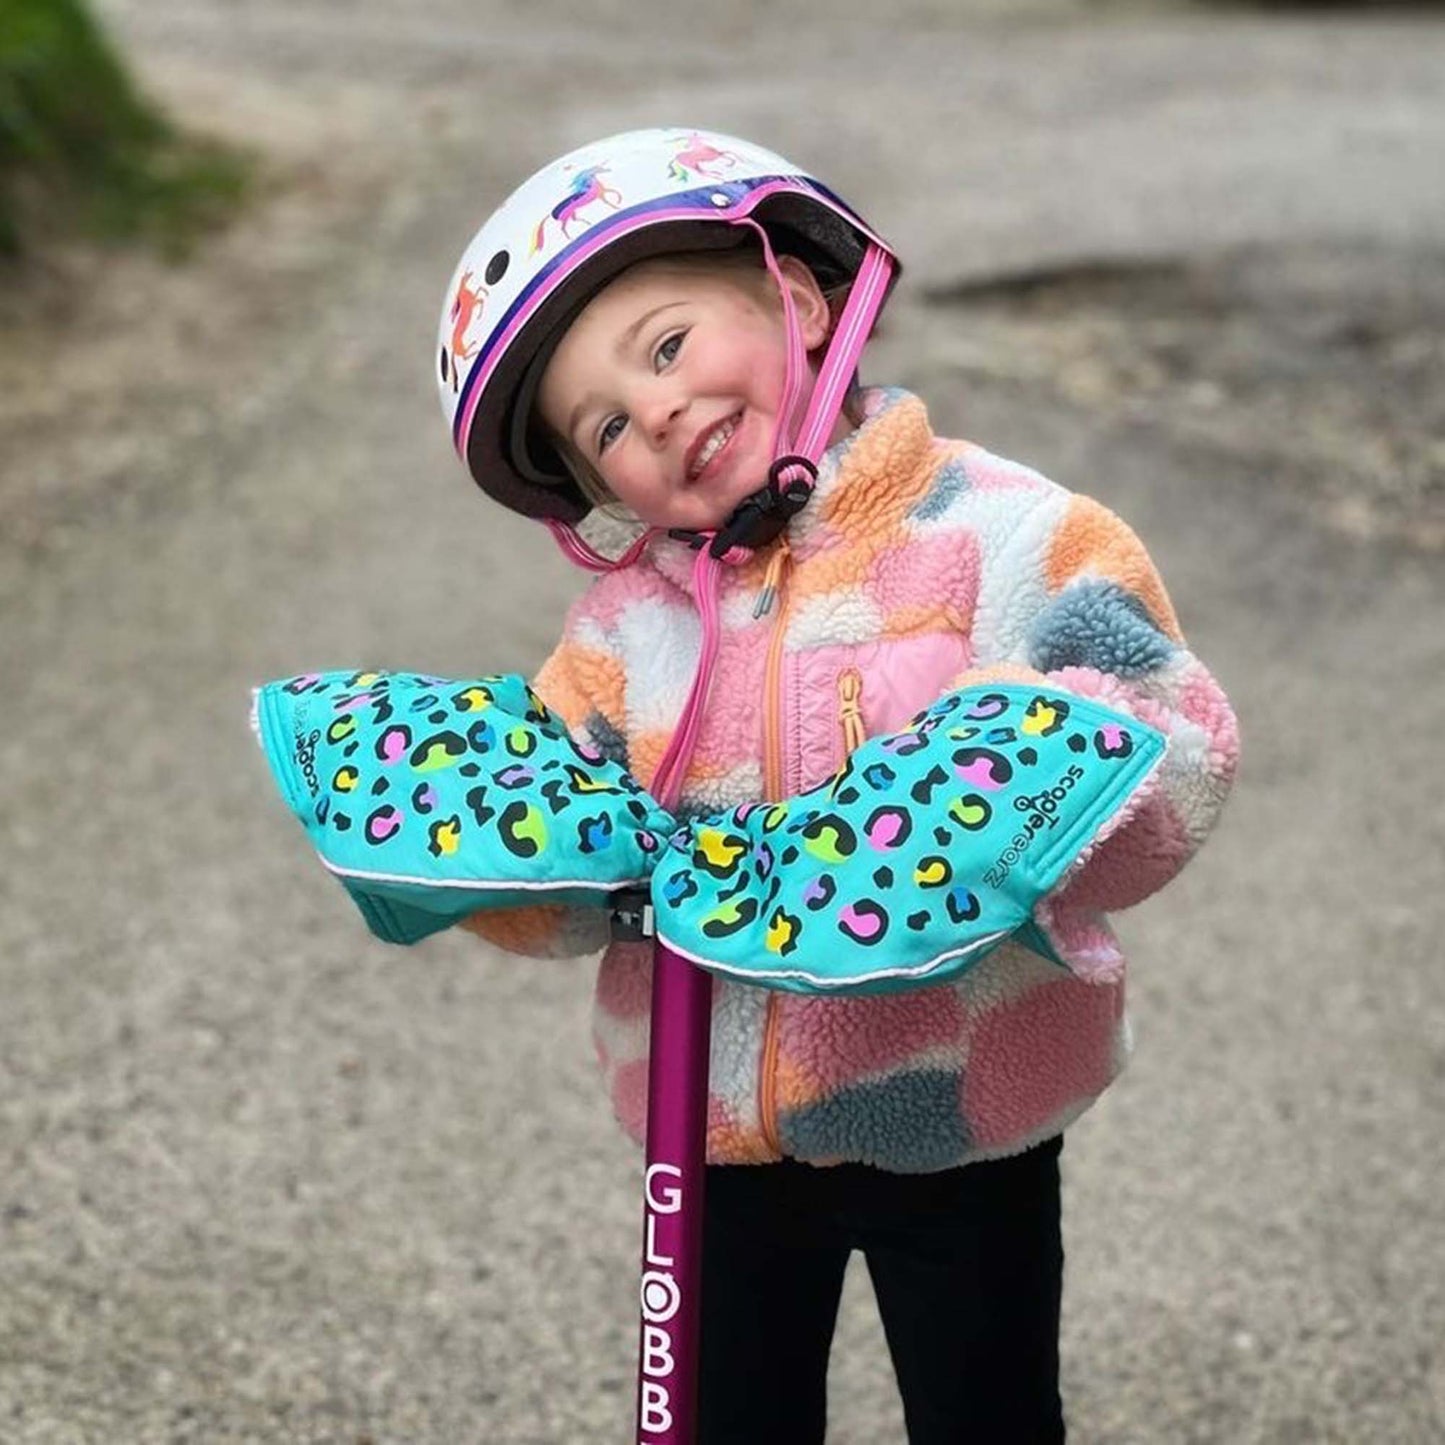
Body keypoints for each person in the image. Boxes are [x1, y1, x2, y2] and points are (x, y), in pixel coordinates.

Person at [436, 128, 1239, 1444]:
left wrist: (1035, 787)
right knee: (727, 1417)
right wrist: (500, 856)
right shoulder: (619, 632)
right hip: (712, 1132)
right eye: (603, 426)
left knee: (983, 1409)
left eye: (667, 345)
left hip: (962, 1104)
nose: (656, 411)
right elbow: (555, 859)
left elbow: (1176, 734)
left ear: (796, 300)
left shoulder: (1002, 532)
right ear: (586, 487)